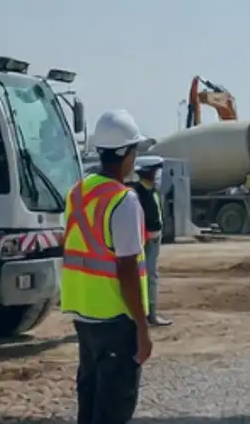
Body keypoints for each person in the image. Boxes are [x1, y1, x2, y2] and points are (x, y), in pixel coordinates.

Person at [65, 109, 154, 424]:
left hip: (84, 317)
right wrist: (143, 328)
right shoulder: (124, 201)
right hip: (116, 319)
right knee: (113, 410)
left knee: (89, 406)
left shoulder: (78, 193)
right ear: (127, 154)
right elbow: (127, 270)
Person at [129, 156, 172, 328]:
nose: (158, 175)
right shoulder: (137, 193)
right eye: (156, 171)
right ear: (148, 172)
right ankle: (148, 314)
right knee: (147, 276)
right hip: (145, 240)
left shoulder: (151, 191)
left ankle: (147, 313)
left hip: (153, 238)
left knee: (150, 276)